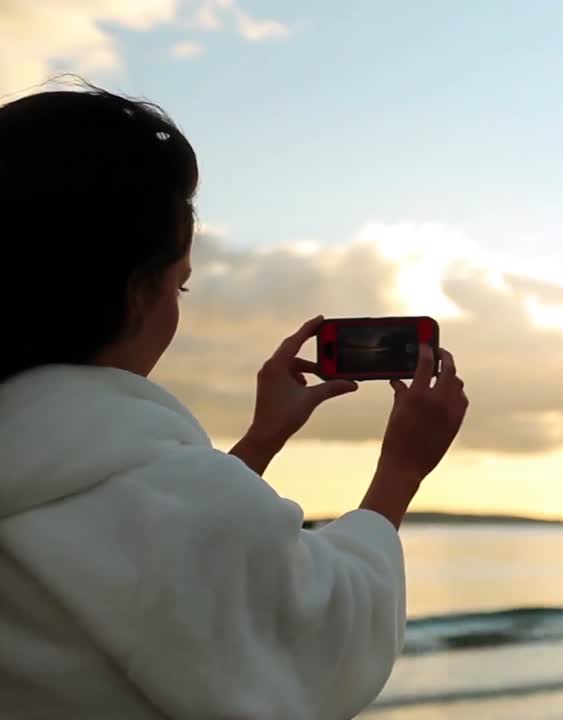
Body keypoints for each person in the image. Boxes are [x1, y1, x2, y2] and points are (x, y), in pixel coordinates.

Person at [0, 82, 469, 718]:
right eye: (180, 287)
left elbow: (158, 541)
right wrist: (402, 469)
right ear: (137, 295)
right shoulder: (171, 505)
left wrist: (259, 443)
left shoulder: (74, 482)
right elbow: (328, 638)